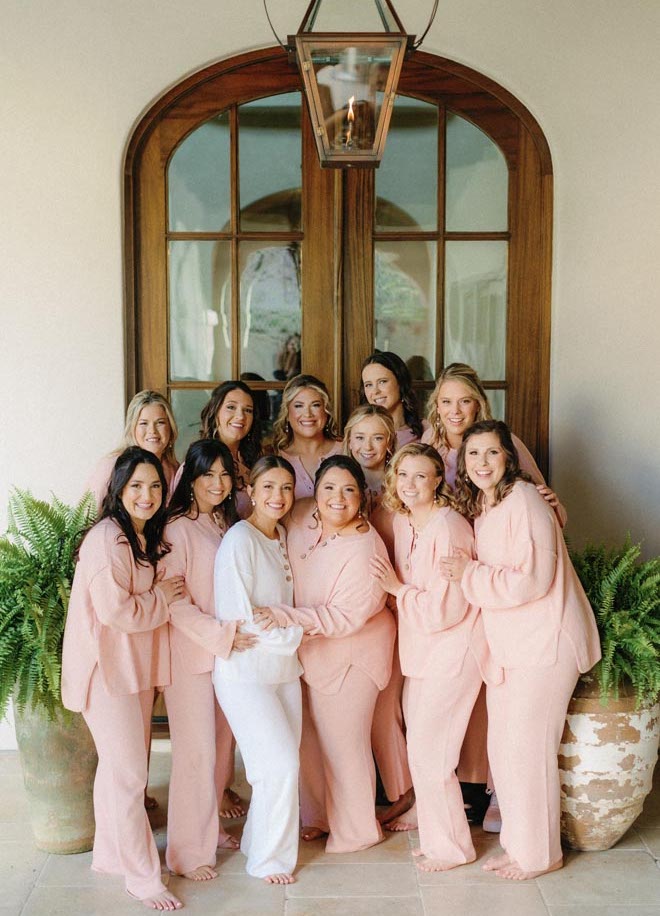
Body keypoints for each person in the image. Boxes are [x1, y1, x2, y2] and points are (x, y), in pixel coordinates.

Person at [439, 421, 601, 880]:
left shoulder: (526, 501)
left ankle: (539, 854)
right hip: (513, 646)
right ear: (463, 463)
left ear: (508, 458)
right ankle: (519, 844)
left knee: (529, 749)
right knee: (505, 748)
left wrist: (468, 575)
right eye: (474, 455)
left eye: (492, 453)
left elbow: (533, 580)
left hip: (547, 642)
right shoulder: (486, 507)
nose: (482, 463)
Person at [423, 361, 566, 829]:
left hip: (496, 585)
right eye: (446, 401)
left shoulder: (506, 447)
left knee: (497, 696)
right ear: (435, 406)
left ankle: (499, 791)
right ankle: (461, 788)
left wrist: (553, 506)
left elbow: (543, 511)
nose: (455, 409)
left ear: (479, 404)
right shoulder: (425, 447)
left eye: (465, 400)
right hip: (453, 585)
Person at [62, 447, 185, 911]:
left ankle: (113, 857)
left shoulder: (139, 535)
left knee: (117, 772)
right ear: (117, 489)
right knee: (132, 777)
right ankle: (142, 877)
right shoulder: (108, 539)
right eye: (136, 485)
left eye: (155, 485)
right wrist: (162, 598)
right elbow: (116, 612)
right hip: (106, 673)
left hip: (129, 671)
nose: (148, 495)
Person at [254, 456, 396, 853]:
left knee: (343, 744)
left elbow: (345, 617)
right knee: (309, 740)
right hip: (307, 650)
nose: (338, 498)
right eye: (329, 488)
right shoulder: (300, 515)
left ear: (362, 497)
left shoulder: (366, 547)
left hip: (353, 654)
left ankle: (357, 830)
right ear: (313, 492)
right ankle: (319, 817)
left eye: (349, 489)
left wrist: (281, 617)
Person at [370, 443, 498, 871]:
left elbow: (447, 609)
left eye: (420, 476)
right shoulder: (406, 521)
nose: (409, 484)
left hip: (453, 653)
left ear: (437, 480)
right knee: (422, 752)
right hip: (422, 653)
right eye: (403, 475)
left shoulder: (450, 528)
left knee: (434, 753)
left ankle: (452, 849)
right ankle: (437, 835)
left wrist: (396, 590)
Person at [161, 440, 257, 879]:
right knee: (195, 755)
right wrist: (221, 637)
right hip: (192, 657)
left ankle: (209, 828)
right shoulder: (178, 528)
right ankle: (186, 853)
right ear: (191, 480)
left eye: (225, 475)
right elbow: (176, 604)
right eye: (208, 476)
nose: (218, 484)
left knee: (220, 750)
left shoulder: (224, 522)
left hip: (224, 655)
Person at [213, 456, 303, 885]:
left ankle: (256, 842)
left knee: (275, 769)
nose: (278, 497)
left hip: (285, 671)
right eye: (269, 487)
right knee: (280, 764)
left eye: (287, 488)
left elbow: (281, 611)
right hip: (245, 673)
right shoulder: (239, 539)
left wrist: (288, 630)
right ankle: (269, 861)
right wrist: (297, 632)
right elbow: (240, 620)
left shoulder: (282, 536)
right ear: (250, 488)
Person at [343, 405, 414, 824]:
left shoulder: (398, 493)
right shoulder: (340, 488)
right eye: (360, 437)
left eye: (377, 438)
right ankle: (368, 789)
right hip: (351, 617)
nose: (368, 446)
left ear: (390, 443)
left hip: (393, 613)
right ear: (348, 441)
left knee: (390, 706)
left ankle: (403, 790)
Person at [86, 391, 179, 514]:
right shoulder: (111, 465)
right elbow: (86, 518)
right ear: (132, 427)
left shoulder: (174, 469)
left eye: (160, 423)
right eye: (143, 423)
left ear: (170, 427)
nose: (152, 431)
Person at [272, 374, 342, 499]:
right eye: (298, 406)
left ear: (326, 412)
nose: (308, 414)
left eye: (315, 405)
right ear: (287, 414)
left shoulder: (347, 450)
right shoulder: (275, 456)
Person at [361, 351, 425, 448]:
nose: (375, 391)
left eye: (382, 382)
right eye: (368, 385)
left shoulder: (426, 432)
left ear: (400, 383)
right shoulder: (358, 434)